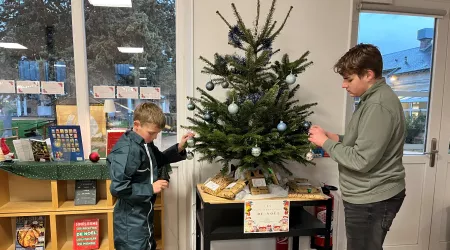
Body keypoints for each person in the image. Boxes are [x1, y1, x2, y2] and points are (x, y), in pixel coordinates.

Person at [308, 43, 406, 250]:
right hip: (366, 196)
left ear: (368, 75)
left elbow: (361, 160)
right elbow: (367, 141)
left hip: (373, 198)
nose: (344, 85)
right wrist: (335, 137)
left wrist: (324, 142)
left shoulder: (378, 105)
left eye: (349, 79)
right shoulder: (371, 100)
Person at [107, 102, 194, 250]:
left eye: (157, 133)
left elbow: (160, 159)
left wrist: (179, 147)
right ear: (137, 124)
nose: (154, 137)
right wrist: (150, 188)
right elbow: (118, 188)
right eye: (151, 133)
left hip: (143, 214)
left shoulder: (145, 143)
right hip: (130, 222)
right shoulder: (127, 151)